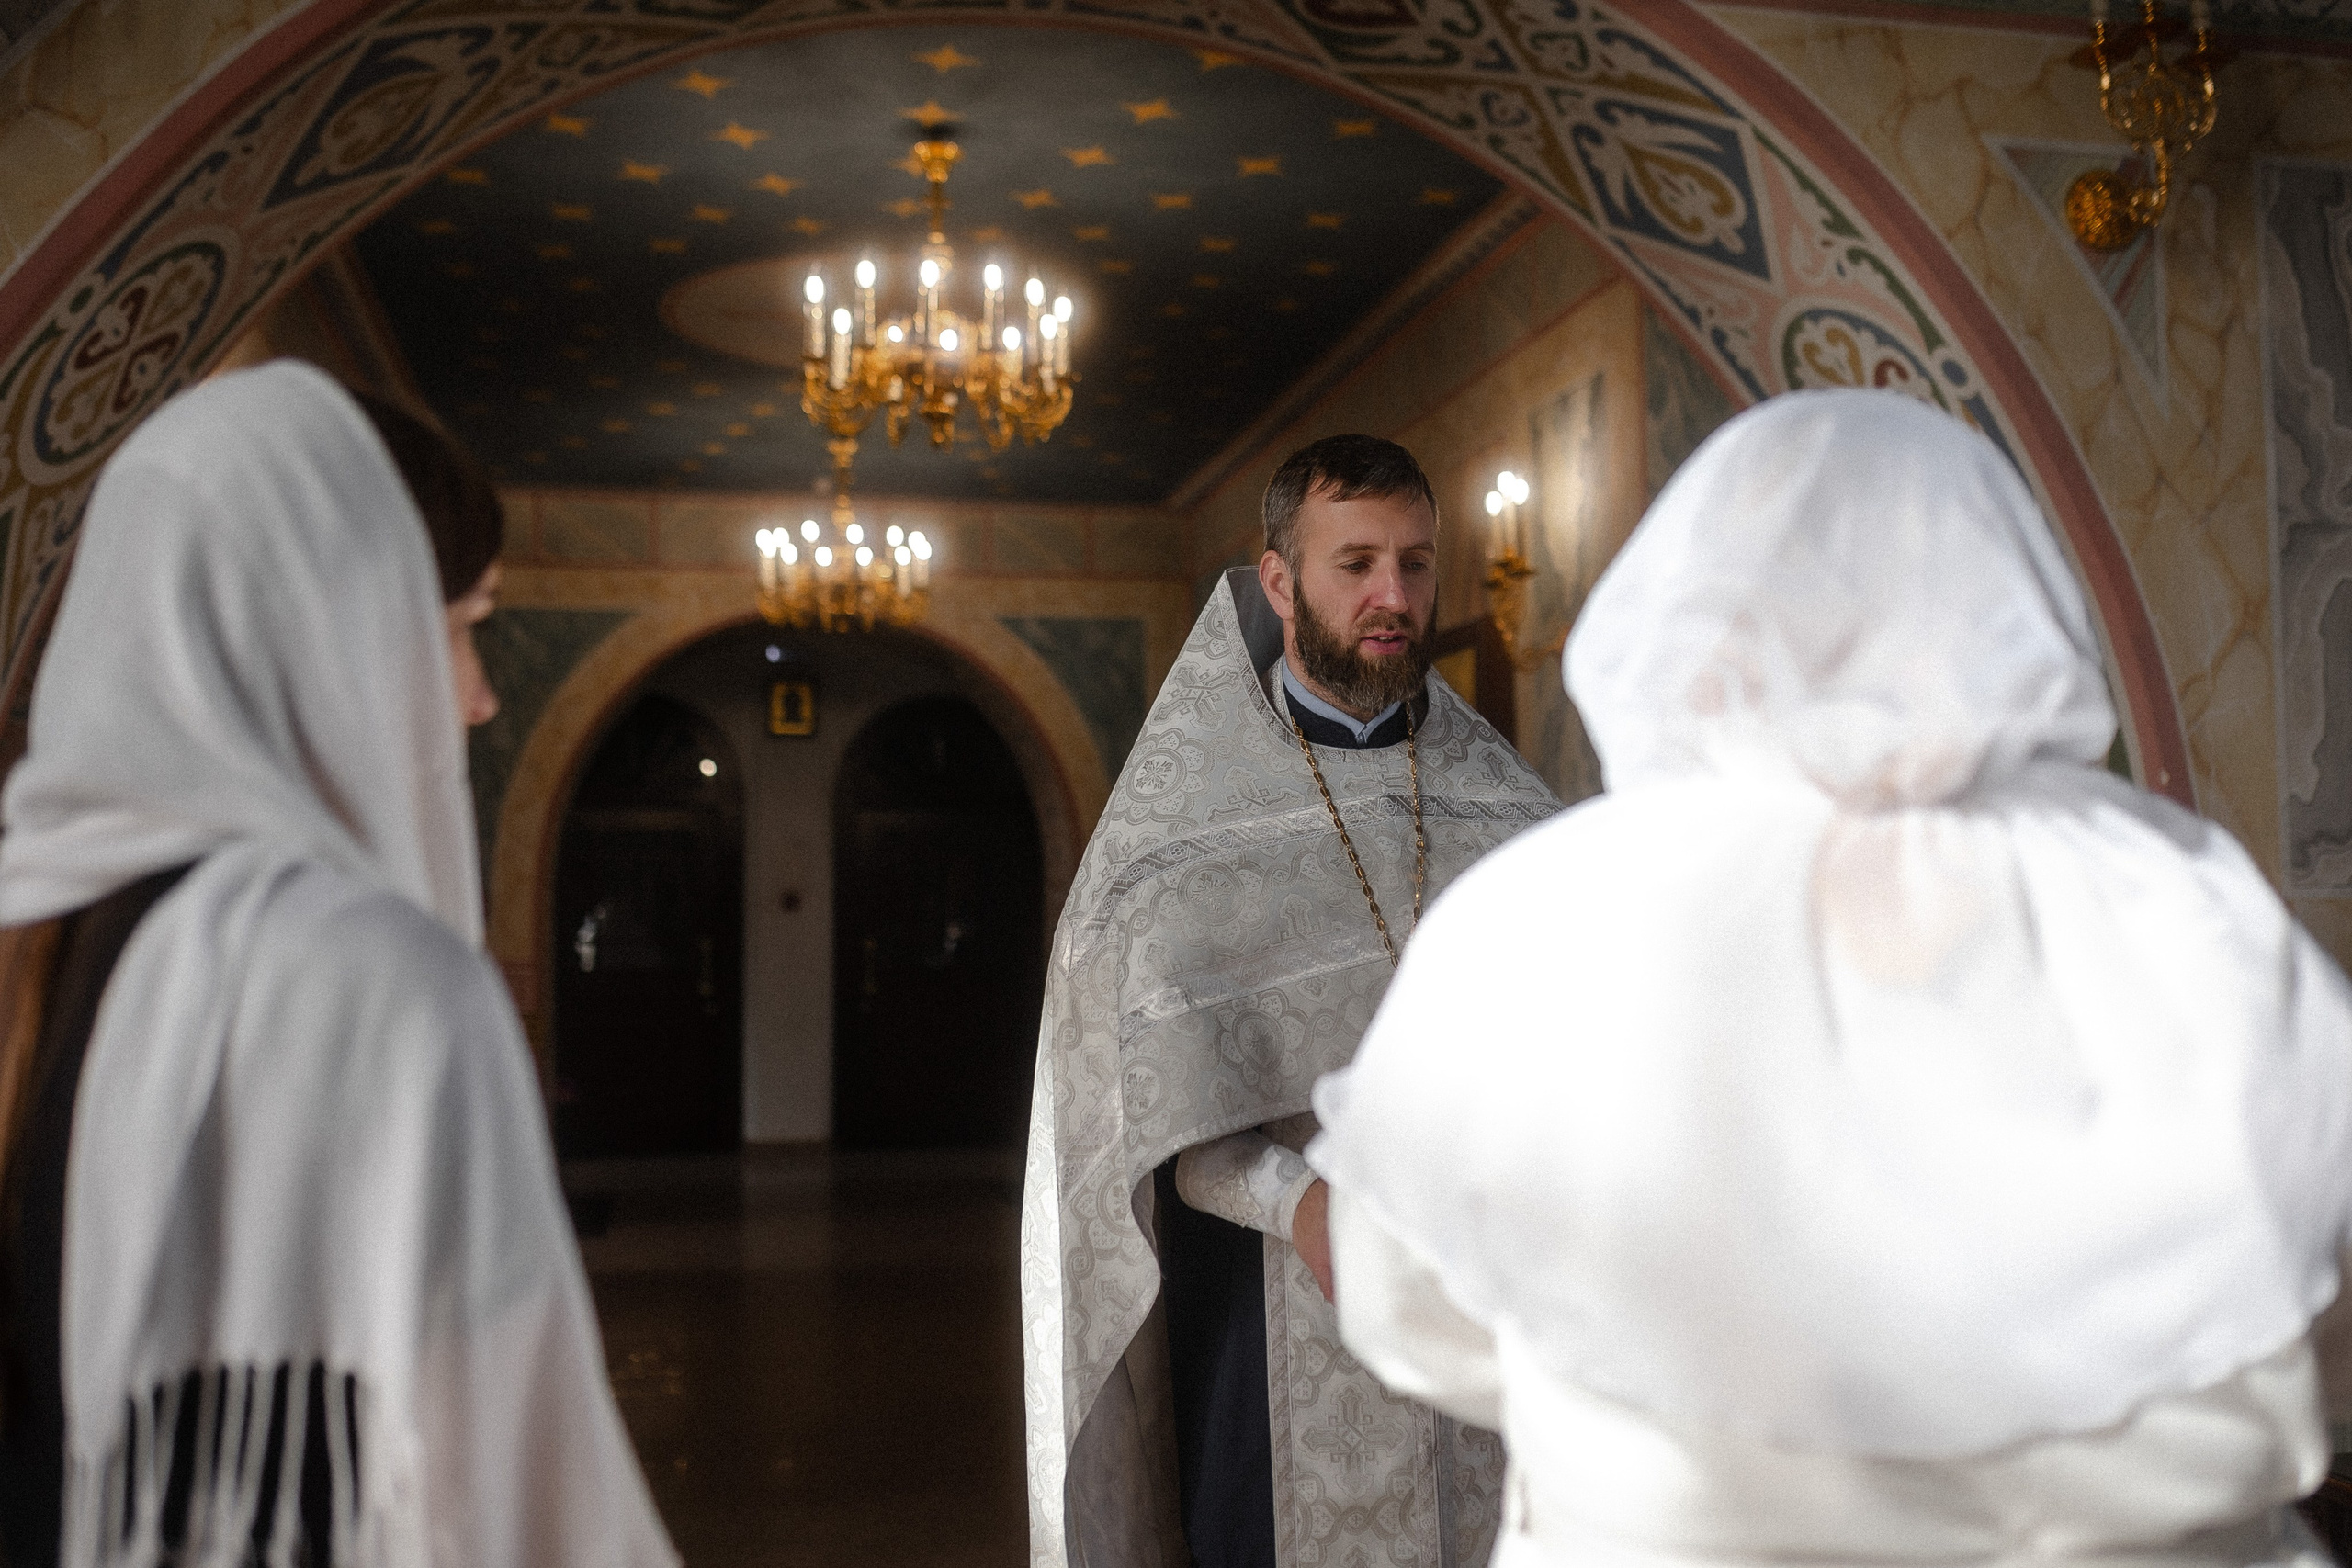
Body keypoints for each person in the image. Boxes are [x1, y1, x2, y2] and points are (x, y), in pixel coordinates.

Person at [1306, 389, 2352, 1568]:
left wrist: (1655, 1409)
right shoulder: (2182, 899)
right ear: (1995, 610)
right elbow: (2320, 1294)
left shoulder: (1543, 911)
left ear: (1713, 630)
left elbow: (1408, 1304)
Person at [0, 361, 676, 1568]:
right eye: (462, 627)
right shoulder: (387, 985)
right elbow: (519, 1497)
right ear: (331, 633)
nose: (479, 699)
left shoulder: (28, 930)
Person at [1022, 434, 1560, 1568]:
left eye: (1415, 563)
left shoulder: (1511, 815)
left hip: (1490, 1298)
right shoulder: (1177, 839)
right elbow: (1147, 1116)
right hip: (1270, 1318)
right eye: (1354, 564)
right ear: (1278, 581)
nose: (1392, 597)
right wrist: (1302, 1205)